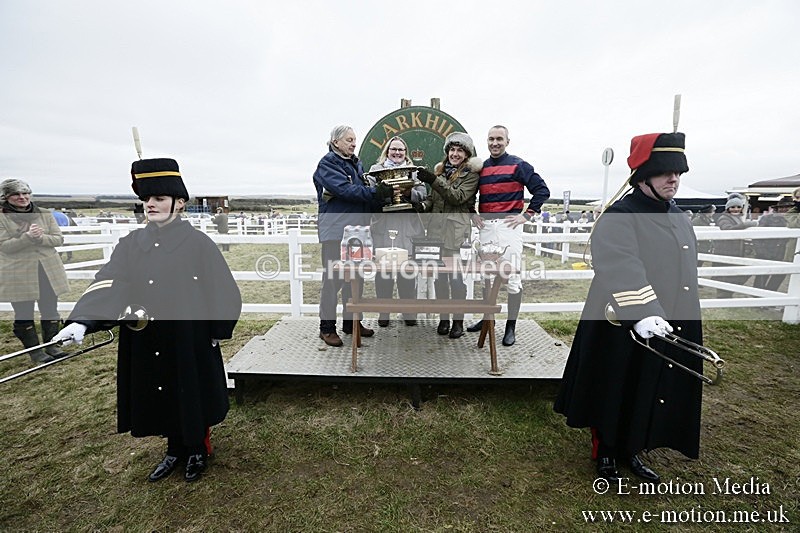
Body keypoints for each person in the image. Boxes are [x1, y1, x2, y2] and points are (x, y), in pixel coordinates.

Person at [53, 158, 242, 483]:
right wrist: (83, 321)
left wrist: (216, 330)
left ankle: (196, 448)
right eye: (147, 199)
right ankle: (173, 450)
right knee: (160, 389)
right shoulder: (131, 245)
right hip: (147, 337)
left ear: (179, 203)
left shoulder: (198, 244)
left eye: (159, 199)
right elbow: (110, 281)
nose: (150, 205)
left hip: (188, 336)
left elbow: (224, 289)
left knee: (189, 391)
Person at [554, 131, 704, 483]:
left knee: (645, 384)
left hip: (666, 321)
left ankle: (632, 449)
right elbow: (620, 263)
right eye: (665, 172)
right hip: (621, 320)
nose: (673, 179)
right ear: (642, 176)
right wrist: (644, 312)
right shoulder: (620, 214)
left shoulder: (678, 215)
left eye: (678, 173)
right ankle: (605, 450)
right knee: (614, 383)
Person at [466, 125, 550, 346]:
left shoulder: (518, 165)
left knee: (512, 278)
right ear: (486, 141)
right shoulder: (481, 167)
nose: (495, 143)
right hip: (486, 228)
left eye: (499, 139)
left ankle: (511, 327)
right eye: (491, 139)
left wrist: (527, 214)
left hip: (509, 227)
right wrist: (473, 213)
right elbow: (468, 194)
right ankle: (487, 321)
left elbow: (542, 190)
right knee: (486, 276)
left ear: (507, 141)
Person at [313, 125, 391, 347]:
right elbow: (346, 191)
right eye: (349, 140)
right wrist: (376, 193)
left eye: (354, 140)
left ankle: (351, 323)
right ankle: (326, 328)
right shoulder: (328, 164)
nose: (353, 143)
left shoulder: (355, 164)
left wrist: (381, 198)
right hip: (335, 233)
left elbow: (361, 194)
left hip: (357, 233)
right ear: (335, 142)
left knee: (355, 279)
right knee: (333, 281)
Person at [417, 132, 481, 339]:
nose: (455, 154)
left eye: (460, 151)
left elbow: (457, 197)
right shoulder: (441, 173)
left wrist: (434, 180)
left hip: (456, 235)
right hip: (436, 233)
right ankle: (444, 318)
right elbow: (432, 199)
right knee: (440, 279)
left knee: (456, 279)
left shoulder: (470, 175)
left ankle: (458, 321)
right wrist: (421, 205)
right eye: (452, 150)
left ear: (466, 154)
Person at [0, 178, 70, 363]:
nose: (22, 197)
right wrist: (27, 237)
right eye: (16, 194)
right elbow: (4, 246)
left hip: (47, 269)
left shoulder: (45, 214)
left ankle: (52, 346)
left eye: (25, 193)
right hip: (19, 273)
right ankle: (36, 352)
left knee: (50, 309)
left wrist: (40, 239)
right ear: (6, 197)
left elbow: (58, 239)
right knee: (24, 312)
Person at [367, 136, 427, 327]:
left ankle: (408, 312)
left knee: (407, 272)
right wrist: (385, 195)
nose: (397, 153)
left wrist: (408, 193)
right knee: (383, 272)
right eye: (394, 149)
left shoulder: (413, 173)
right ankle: (384, 313)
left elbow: (423, 194)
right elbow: (370, 194)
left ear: (406, 152)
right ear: (387, 150)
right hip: (383, 228)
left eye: (401, 150)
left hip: (407, 228)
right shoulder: (376, 171)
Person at [713, 194, 757, 297]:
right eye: (732, 207)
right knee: (725, 273)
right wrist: (746, 225)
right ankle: (723, 294)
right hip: (725, 250)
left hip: (735, 250)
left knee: (734, 273)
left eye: (738, 207)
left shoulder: (737, 218)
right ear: (728, 208)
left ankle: (727, 292)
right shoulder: (724, 218)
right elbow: (727, 229)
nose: (735, 209)